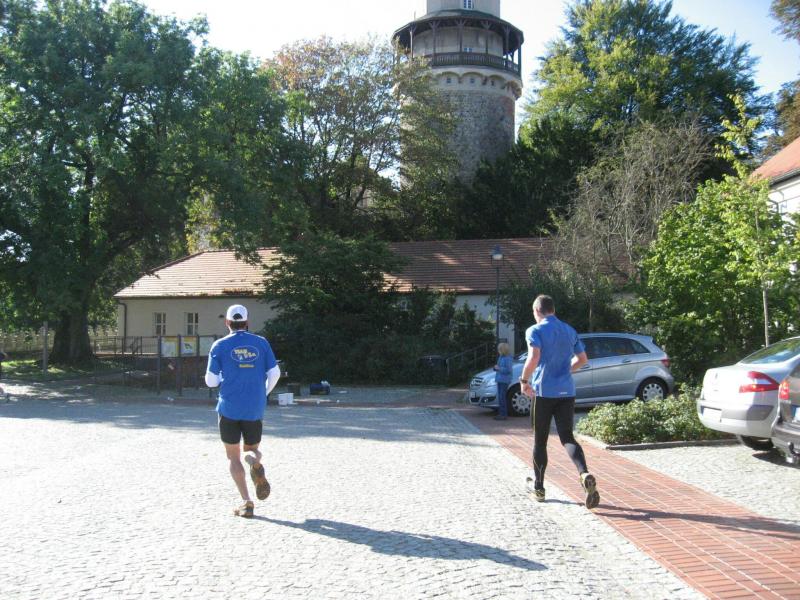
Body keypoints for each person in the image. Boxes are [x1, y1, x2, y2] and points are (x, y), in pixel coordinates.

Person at [519, 294, 600, 508]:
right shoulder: (569, 330)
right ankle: (584, 473)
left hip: (543, 392)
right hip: (567, 392)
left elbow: (534, 357)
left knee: (540, 441)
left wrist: (524, 381)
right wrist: (566, 371)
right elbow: (582, 359)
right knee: (567, 437)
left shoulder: (534, 330)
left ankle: (539, 488)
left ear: (537, 311)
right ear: (553, 310)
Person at [205, 304, 281, 518]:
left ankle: (246, 502)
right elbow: (275, 373)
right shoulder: (261, 342)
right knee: (251, 448)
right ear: (247, 322)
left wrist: (223, 377)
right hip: (254, 407)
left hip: (228, 407)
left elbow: (211, 381)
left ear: (227, 323)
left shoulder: (219, 345)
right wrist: (263, 392)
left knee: (233, 457)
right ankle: (254, 460)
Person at [493, 342, 513, 420]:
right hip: (499, 379)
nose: (498, 351)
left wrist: (499, 368)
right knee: (501, 397)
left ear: (503, 350)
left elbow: (508, 370)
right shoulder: (501, 357)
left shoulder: (508, 358)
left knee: (502, 397)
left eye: (499, 349)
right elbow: (499, 367)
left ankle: (503, 414)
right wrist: (496, 368)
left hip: (504, 380)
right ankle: (501, 413)